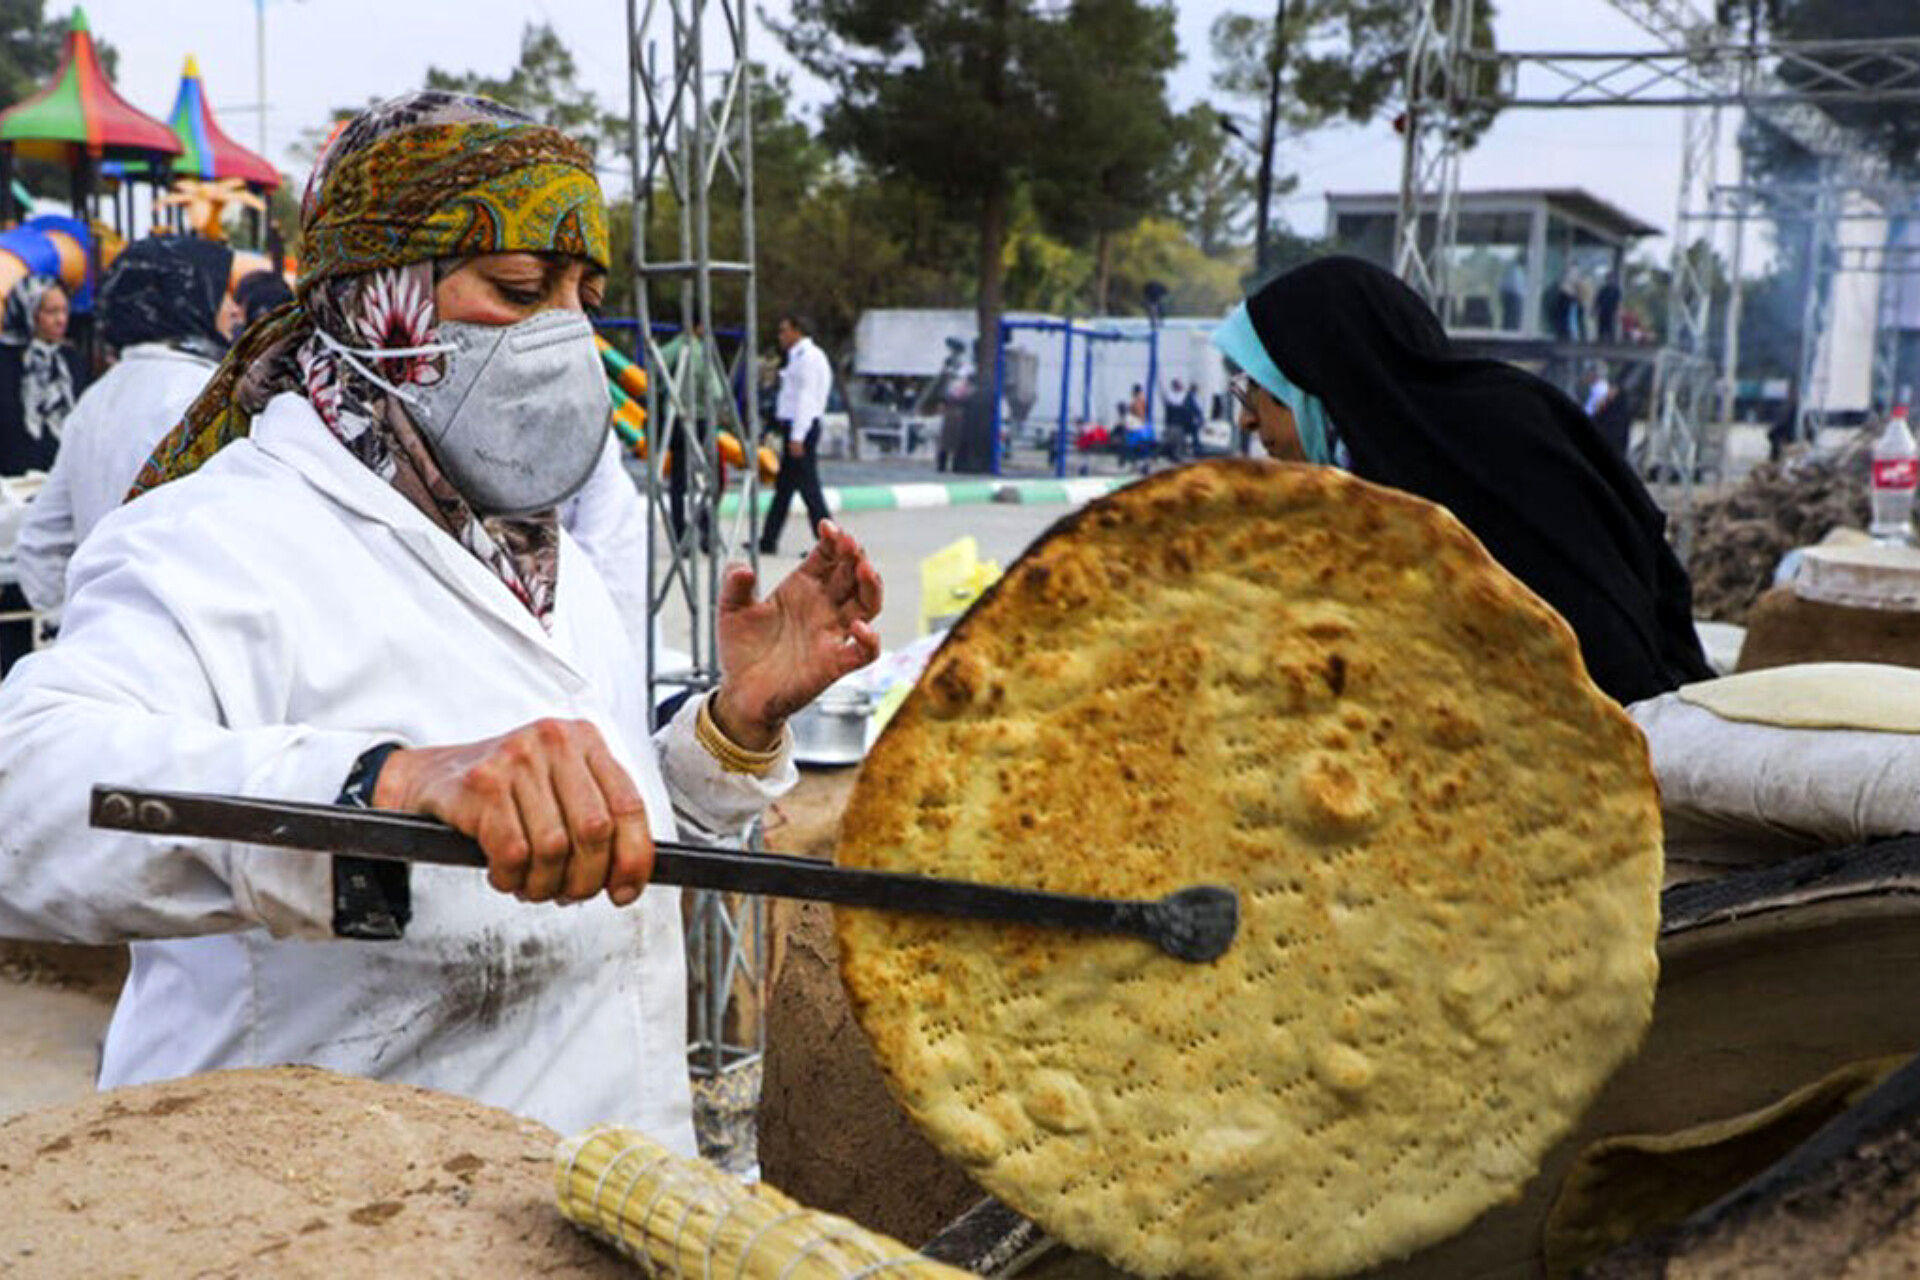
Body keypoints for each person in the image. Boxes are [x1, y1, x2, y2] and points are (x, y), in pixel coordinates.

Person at [0, 91, 883, 1149]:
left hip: (577, 1186)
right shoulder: (217, 538)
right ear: (380, 292)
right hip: (326, 1209)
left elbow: (586, 828)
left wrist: (726, 732)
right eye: (520, 288)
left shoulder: (537, 554)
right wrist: (384, 785)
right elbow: (27, 790)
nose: (563, 332)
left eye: (580, 292)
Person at [1214, 256, 1712, 706]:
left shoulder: (1490, 444)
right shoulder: (1371, 480)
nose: (1247, 422)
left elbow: (1597, 651)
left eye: (1253, 390)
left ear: (1314, 378)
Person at [16, 236, 234, 617]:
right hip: (189, 643)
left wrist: (73, 621)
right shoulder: (209, 398)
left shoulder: (97, 397)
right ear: (187, 300)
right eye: (222, 294)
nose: (233, 310)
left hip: (109, 643)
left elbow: (40, 541)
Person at [759, 314, 834, 555]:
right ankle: (768, 540)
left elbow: (806, 399)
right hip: (795, 428)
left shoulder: (808, 359)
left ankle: (831, 545)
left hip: (802, 428)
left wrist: (797, 437)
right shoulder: (798, 357)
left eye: (784, 331)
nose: (781, 336)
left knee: (809, 488)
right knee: (784, 488)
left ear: (797, 331)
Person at [0, 275, 85, 475]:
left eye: (64, 311)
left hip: (60, 477)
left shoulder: (70, 360)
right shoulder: (5, 360)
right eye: (51, 312)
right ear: (27, 311)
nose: (61, 320)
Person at [658, 316, 730, 546]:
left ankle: (681, 536)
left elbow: (655, 367)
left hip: (677, 420)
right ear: (699, 325)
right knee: (708, 479)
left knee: (678, 481)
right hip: (700, 422)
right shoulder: (701, 352)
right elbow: (717, 392)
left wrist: (666, 393)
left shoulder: (674, 347)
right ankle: (707, 531)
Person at [1500, 258, 1526, 332]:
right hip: (1513, 297)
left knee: (1512, 321)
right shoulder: (1514, 270)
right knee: (1510, 321)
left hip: (1514, 297)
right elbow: (1509, 286)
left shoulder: (1518, 270)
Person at [1595, 271, 1622, 342]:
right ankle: (1600, 341)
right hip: (1603, 311)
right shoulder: (1603, 290)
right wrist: (1596, 309)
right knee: (1601, 328)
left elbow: (1618, 302)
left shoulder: (1616, 290)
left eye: (1612, 278)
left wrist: (1617, 312)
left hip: (1611, 311)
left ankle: (1610, 342)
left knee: (1610, 328)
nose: (1611, 280)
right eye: (1609, 278)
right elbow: (1598, 300)